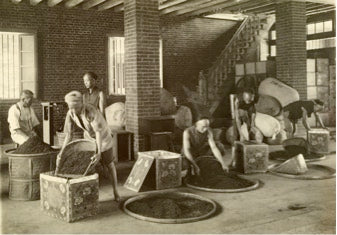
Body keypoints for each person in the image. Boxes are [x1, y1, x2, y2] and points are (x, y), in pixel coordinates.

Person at [55, 91, 120, 201]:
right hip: (89, 138)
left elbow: (98, 132)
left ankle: (116, 192)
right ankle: (87, 194)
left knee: (109, 164)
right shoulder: (70, 113)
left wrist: (99, 152)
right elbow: (69, 134)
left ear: (82, 103)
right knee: (87, 164)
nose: (74, 110)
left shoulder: (91, 111)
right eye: (71, 107)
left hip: (103, 138)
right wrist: (62, 151)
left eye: (76, 107)